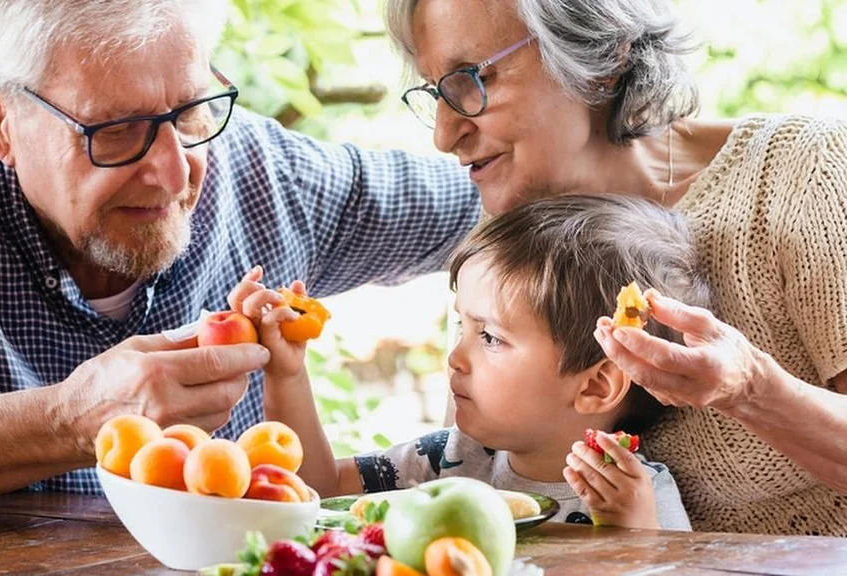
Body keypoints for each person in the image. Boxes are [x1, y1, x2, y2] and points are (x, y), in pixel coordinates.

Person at [0, 0, 481, 529]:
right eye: (114, 129)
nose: (172, 173)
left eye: (190, 111)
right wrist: (68, 421)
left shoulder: (267, 177)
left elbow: (492, 197)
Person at [383, 0, 847, 535]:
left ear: (601, 56)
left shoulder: (798, 174)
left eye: (470, 79)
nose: (444, 135)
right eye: (435, 90)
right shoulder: (506, 250)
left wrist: (749, 391)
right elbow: (477, 490)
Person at [231, 195, 708, 530]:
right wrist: (287, 372)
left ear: (595, 386)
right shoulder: (452, 459)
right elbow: (320, 489)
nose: (456, 358)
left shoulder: (636, 494)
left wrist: (637, 532)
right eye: (462, 328)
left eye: (491, 337)